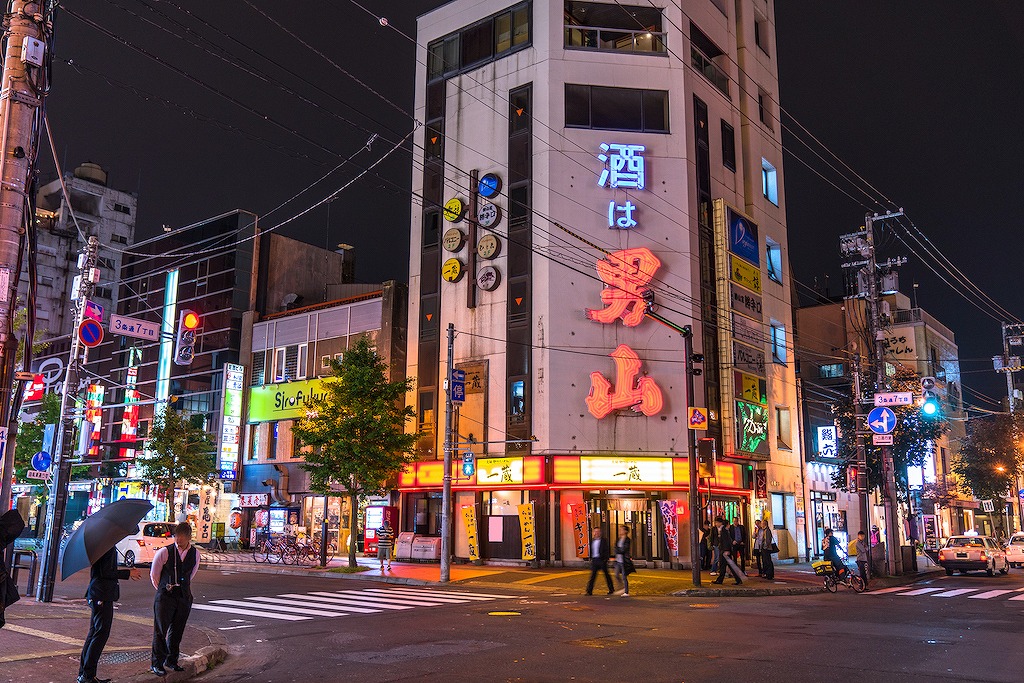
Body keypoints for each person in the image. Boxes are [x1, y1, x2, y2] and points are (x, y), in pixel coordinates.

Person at [79, 547, 141, 683]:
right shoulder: (106, 547)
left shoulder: (103, 546)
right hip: (101, 595)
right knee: (100, 634)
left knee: (95, 633)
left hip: (98, 594)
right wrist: (128, 573)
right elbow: (105, 572)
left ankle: (85, 674)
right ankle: (87, 675)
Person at [150, 522, 200, 677]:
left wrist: (182, 587)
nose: (178, 540)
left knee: (177, 630)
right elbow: (154, 575)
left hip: (184, 596)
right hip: (166, 596)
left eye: (181, 538)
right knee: (160, 630)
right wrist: (165, 588)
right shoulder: (165, 552)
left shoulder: (195, 554)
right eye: (176, 537)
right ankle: (156, 663)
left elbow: (192, 573)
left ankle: (172, 660)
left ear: (189, 537)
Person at [712, 517, 743, 585]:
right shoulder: (723, 529)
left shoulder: (723, 530)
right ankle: (720, 580)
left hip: (725, 551)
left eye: (716, 522)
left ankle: (738, 580)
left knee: (728, 566)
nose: (716, 524)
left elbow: (726, 541)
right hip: (724, 550)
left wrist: (726, 550)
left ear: (720, 523)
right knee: (724, 566)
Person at [584, 527, 614, 596]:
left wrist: (606, 559)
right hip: (595, 560)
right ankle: (589, 591)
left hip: (601, 560)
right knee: (593, 576)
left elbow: (607, 550)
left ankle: (611, 589)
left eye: (598, 531)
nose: (596, 533)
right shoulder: (592, 541)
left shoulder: (604, 541)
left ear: (600, 533)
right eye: (595, 532)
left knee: (606, 575)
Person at [613, 525, 634, 597]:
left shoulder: (627, 540)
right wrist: (618, 550)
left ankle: (626, 591)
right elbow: (615, 548)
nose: (620, 531)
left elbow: (624, 549)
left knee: (624, 576)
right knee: (616, 574)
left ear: (625, 531)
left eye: (622, 530)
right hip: (618, 560)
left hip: (624, 560)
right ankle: (622, 588)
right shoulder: (618, 539)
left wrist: (618, 550)